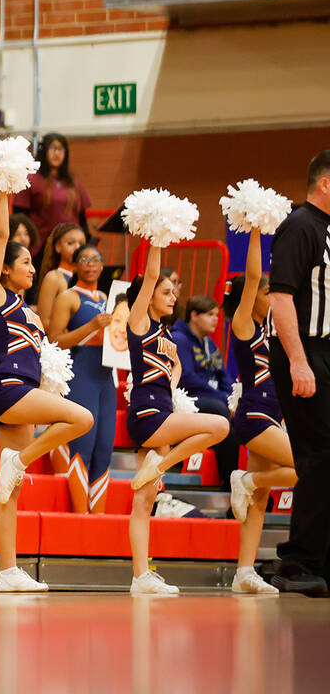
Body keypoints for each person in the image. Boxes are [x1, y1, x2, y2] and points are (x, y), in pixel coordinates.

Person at [0, 192, 92, 592]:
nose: (30, 268)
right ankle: (20, 460)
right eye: (24, 262)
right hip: (9, 389)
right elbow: (2, 234)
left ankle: (8, 572)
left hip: (23, 391)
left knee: (12, 489)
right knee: (81, 418)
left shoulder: (30, 310)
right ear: (3, 270)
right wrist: (4, 188)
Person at [124, 243, 229, 594]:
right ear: (148, 297)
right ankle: (161, 466)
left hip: (162, 411)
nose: (173, 297)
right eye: (166, 292)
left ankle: (141, 577)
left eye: (173, 293)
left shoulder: (166, 333)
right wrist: (156, 237)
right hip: (147, 414)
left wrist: (177, 370)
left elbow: (173, 375)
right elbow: (151, 273)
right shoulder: (139, 323)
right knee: (220, 425)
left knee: (144, 501)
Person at [267, 151, 330, 596]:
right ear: (325, 184)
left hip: (325, 352)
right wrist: (299, 361)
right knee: (319, 457)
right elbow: (281, 297)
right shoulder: (301, 225)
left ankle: (319, 560)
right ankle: (297, 562)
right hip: (305, 354)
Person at [222, 226, 297, 593]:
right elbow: (253, 276)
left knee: (260, 499)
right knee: (311, 468)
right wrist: (255, 231)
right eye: (269, 292)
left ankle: (244, 572)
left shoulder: (278, 329)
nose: (274, 295)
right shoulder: (244, 325)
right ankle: (246, 478)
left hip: (274, 418)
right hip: (254, 416)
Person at [47, 244, 115, 513]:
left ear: (102, 266)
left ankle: (97, 519)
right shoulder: (68, 297)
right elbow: (53, 340)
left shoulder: (106, 298)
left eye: (95, 259)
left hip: (105, 379)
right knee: (82, 446)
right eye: (84, 259)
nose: (90, 264)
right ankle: (80, 516)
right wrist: (92, 326)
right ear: (75, 266)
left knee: (104, 450)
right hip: (81, 375)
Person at [172, 293, 239, 490]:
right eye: (210, 315)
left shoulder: (209, 343)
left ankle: (233, 479)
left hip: (212, 399)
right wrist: (222, 400)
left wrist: (230, 399)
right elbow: (187, 378)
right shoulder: (179, 339)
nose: (215, 319)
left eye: (217, 315)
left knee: (234, 415)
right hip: (187, 398)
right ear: (194, 315)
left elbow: (223, 376)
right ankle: (229, 482)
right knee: (219, 409)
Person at [14, 133, 91, 255]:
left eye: (60, 149)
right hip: (41, 248)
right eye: (53, 148)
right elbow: (19, 216)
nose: (57, 153)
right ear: (44, 151)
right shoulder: (31, 178)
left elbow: (82, 217)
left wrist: (87, 242)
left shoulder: (73, 181)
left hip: (72, 248)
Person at [33, 222, 85, 317]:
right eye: (70, 243)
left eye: (81, 243)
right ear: (58, 247)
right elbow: (44, 321)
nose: (77, 247)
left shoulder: (86, 278)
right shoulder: (54, 277)